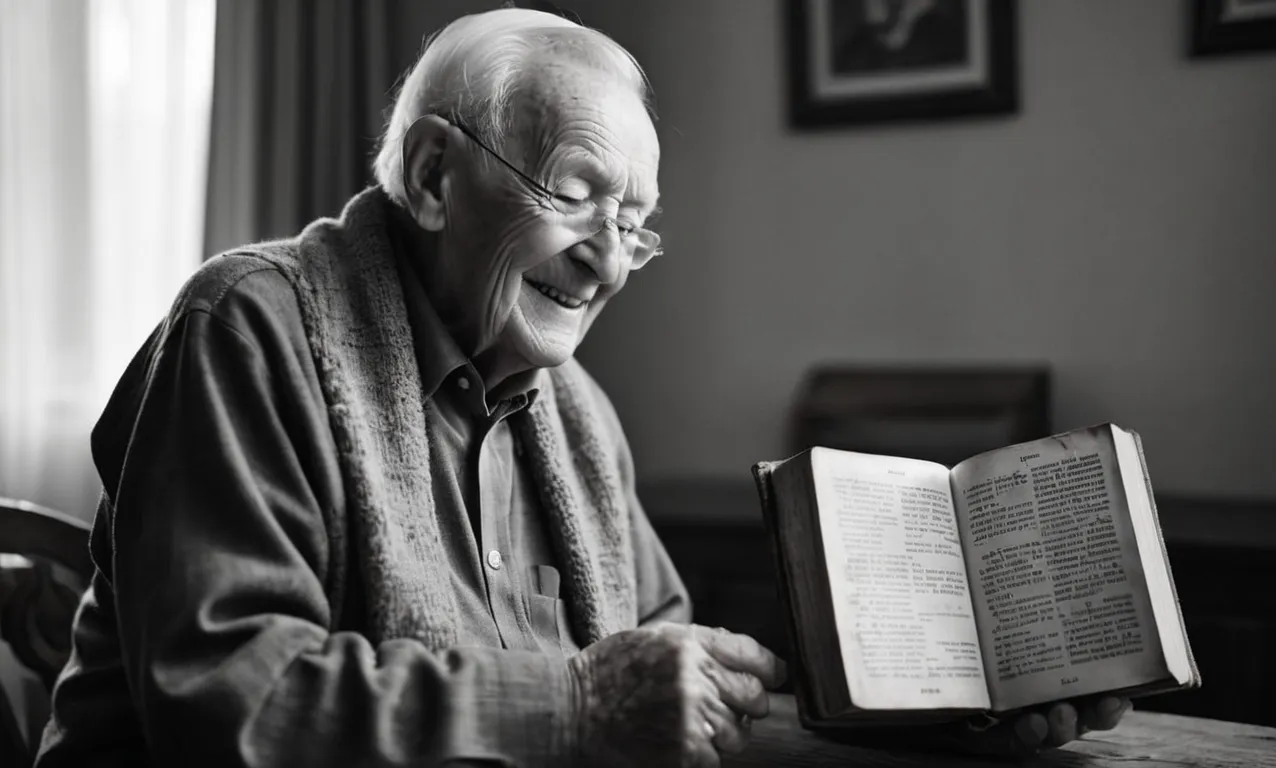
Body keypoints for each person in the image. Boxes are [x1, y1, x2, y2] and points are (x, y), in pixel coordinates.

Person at [35, 8, 1126, 767]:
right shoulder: (252, 328)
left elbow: (677, 691)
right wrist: (579, 708)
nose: (607, 263)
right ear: (430, 176)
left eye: (634, 225)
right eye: (575, 195)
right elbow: (228, 702)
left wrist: (950, 710)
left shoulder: (578, 422)